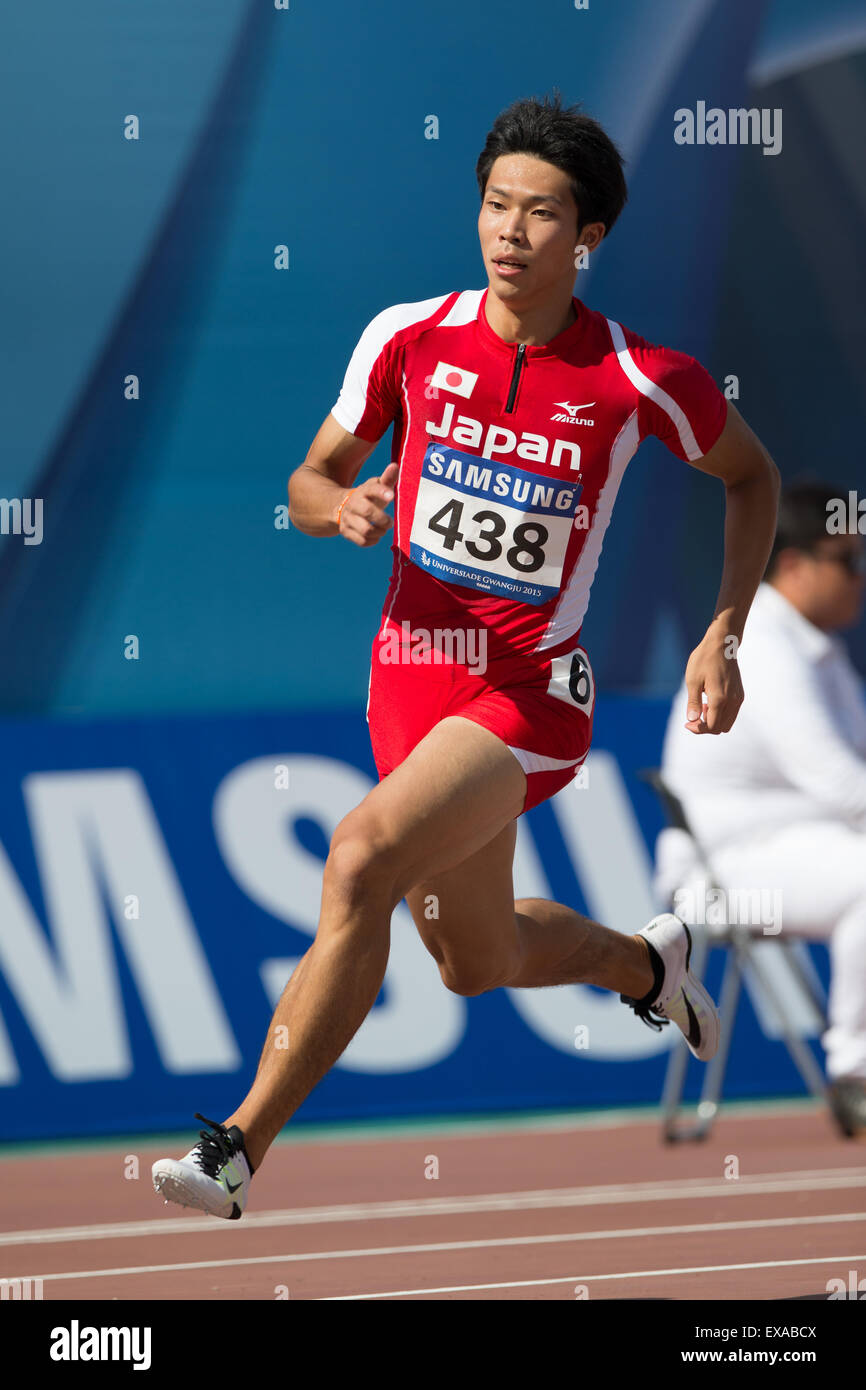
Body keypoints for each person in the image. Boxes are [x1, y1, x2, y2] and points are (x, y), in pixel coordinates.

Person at [152, 92, 780, 1219]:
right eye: (495, 204)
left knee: (359, 858)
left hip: (527, 696)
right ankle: (648, 968)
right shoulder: (406, 336)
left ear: (585, 238)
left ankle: (236, 1147)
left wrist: (724, 627)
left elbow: (752, 477)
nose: (508, 232)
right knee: (473, 959)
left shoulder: (640, 379)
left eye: (540, 215)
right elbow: (304, 480)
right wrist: (334, 505)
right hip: (407, 682)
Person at [655, 481, 866, 1130]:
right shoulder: (764, 645)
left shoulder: (818, 648)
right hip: (720, 876)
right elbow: (837, 781)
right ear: (795, 565)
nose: (861, 578)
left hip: (792, 850)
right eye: (850, 561)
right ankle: (856, 1075)